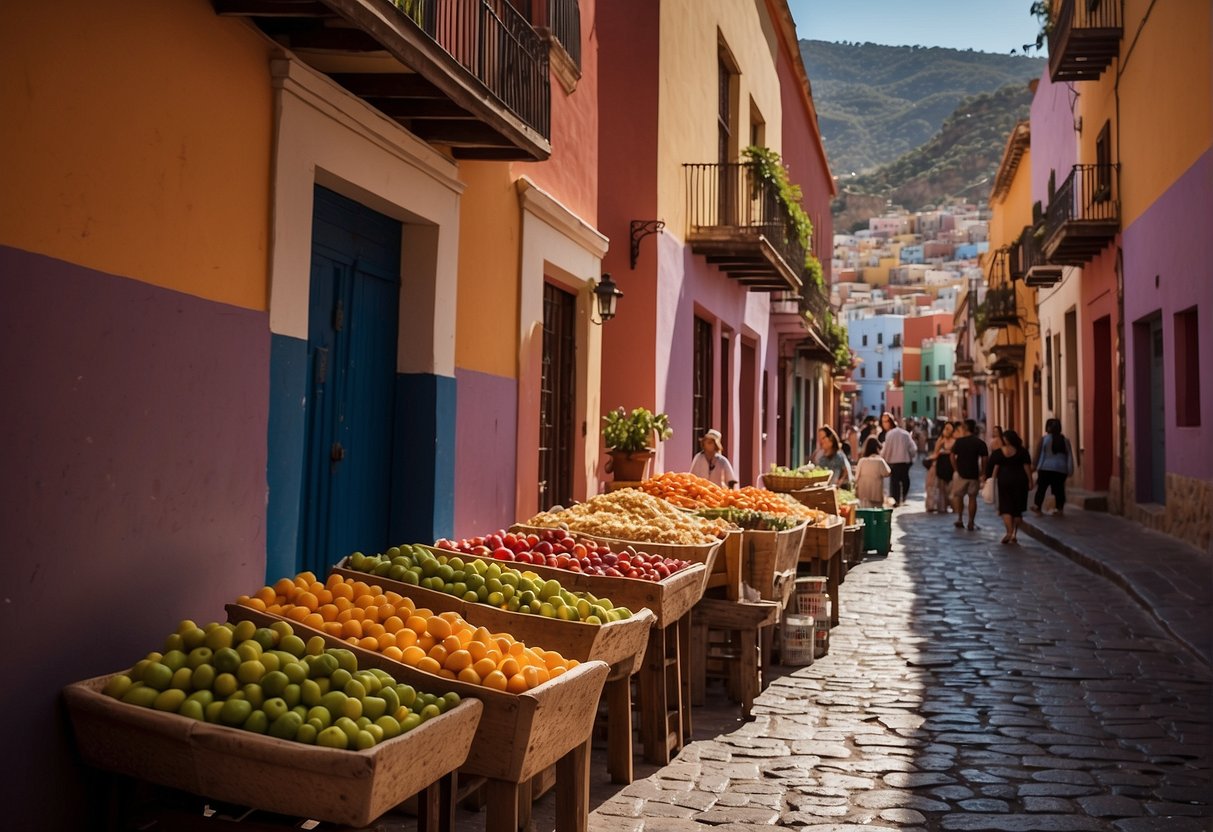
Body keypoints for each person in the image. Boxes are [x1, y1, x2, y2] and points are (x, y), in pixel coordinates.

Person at [986, 429, 1033, 544]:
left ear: (1005, 439)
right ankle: (1014, 534)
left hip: (1004, 480)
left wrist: (992, 480)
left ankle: (1009, 532)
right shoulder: (1022, 452)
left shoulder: (999, 452)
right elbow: (1027, 467)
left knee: (1006, 507)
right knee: (1017, 509)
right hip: (1020, 481)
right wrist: (1030, 481)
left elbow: (995, 467)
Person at [950, 418, 989, 531]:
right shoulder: (979, 442)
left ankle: (960, 518)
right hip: (974, 474)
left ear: (965, 428)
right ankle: (971, 522)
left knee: (959, 497)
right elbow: (985, 458)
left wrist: (955, 468)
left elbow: (952, 456)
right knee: (972, 498)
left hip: (961, 473)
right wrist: (983, 472)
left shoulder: (959, 442)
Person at [1032, 418, 1075, 516]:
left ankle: (1038, 506)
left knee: (1041, 488)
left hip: (1046, 468)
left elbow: (1039, 454)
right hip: (1061, 469)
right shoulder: (1065, 440)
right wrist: (1070, 469)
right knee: (1059, 489)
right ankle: (1059, 508)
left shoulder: (1044, 439)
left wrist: (1036, 466)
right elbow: (1069, 456)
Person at [879, 412, 915, 506]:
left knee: (895, 483)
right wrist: (911, 458)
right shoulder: (905, 433)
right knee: (905, 480)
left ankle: (897, 500)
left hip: (893, 463)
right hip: (904, 462)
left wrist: (882, 459)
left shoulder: (890, 434)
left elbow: (886, 450)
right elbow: (913, 449)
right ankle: (903, 497)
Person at [853, 437, 891, 508]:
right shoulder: (880, 461)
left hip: (863, 494)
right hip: (876, 494)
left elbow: (856, 477)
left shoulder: (862, 461)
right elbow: (887, 473)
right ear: (877, 448)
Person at [929, 421, 957, 513]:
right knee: (941, 488)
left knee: (953, 487)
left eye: (949, 429)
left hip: (952, 465)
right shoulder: (941, 440)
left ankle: (954, 506)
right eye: (946, 429)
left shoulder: (956, 440)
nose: (947, 431)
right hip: (942, 465)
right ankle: (942, 506)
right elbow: (935, 453)